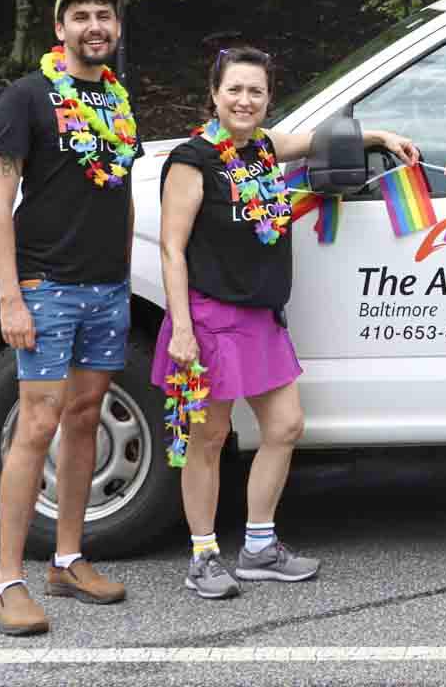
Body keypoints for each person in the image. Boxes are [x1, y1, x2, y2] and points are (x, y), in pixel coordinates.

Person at [154, 46, 416, 599]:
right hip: (209, 319)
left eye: (256, 92)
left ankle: (258, 546)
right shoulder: (192, 160)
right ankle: (203, 554)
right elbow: (172, 250)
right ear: (215, 94)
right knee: (209, 437)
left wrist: (378, 137)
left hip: (261, 317)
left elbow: (314, 139)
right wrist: (181, 328)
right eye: (235, 90)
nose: (244, 100)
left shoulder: (264, 150)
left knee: (285, 426)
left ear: (268, 100)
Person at [0, 0, 138, 636]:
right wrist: (12, 297)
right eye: (82, 16)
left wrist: (125, 275)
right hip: (46, 287)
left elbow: (122, 194)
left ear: (116, 27)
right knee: (37, 425)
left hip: (106, 289)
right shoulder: (25, 98)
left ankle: (68, 559)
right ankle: (7, 580)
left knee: (83, 418)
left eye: (104, 14)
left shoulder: (120, 102)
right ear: (62, 28)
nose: (94, 25)